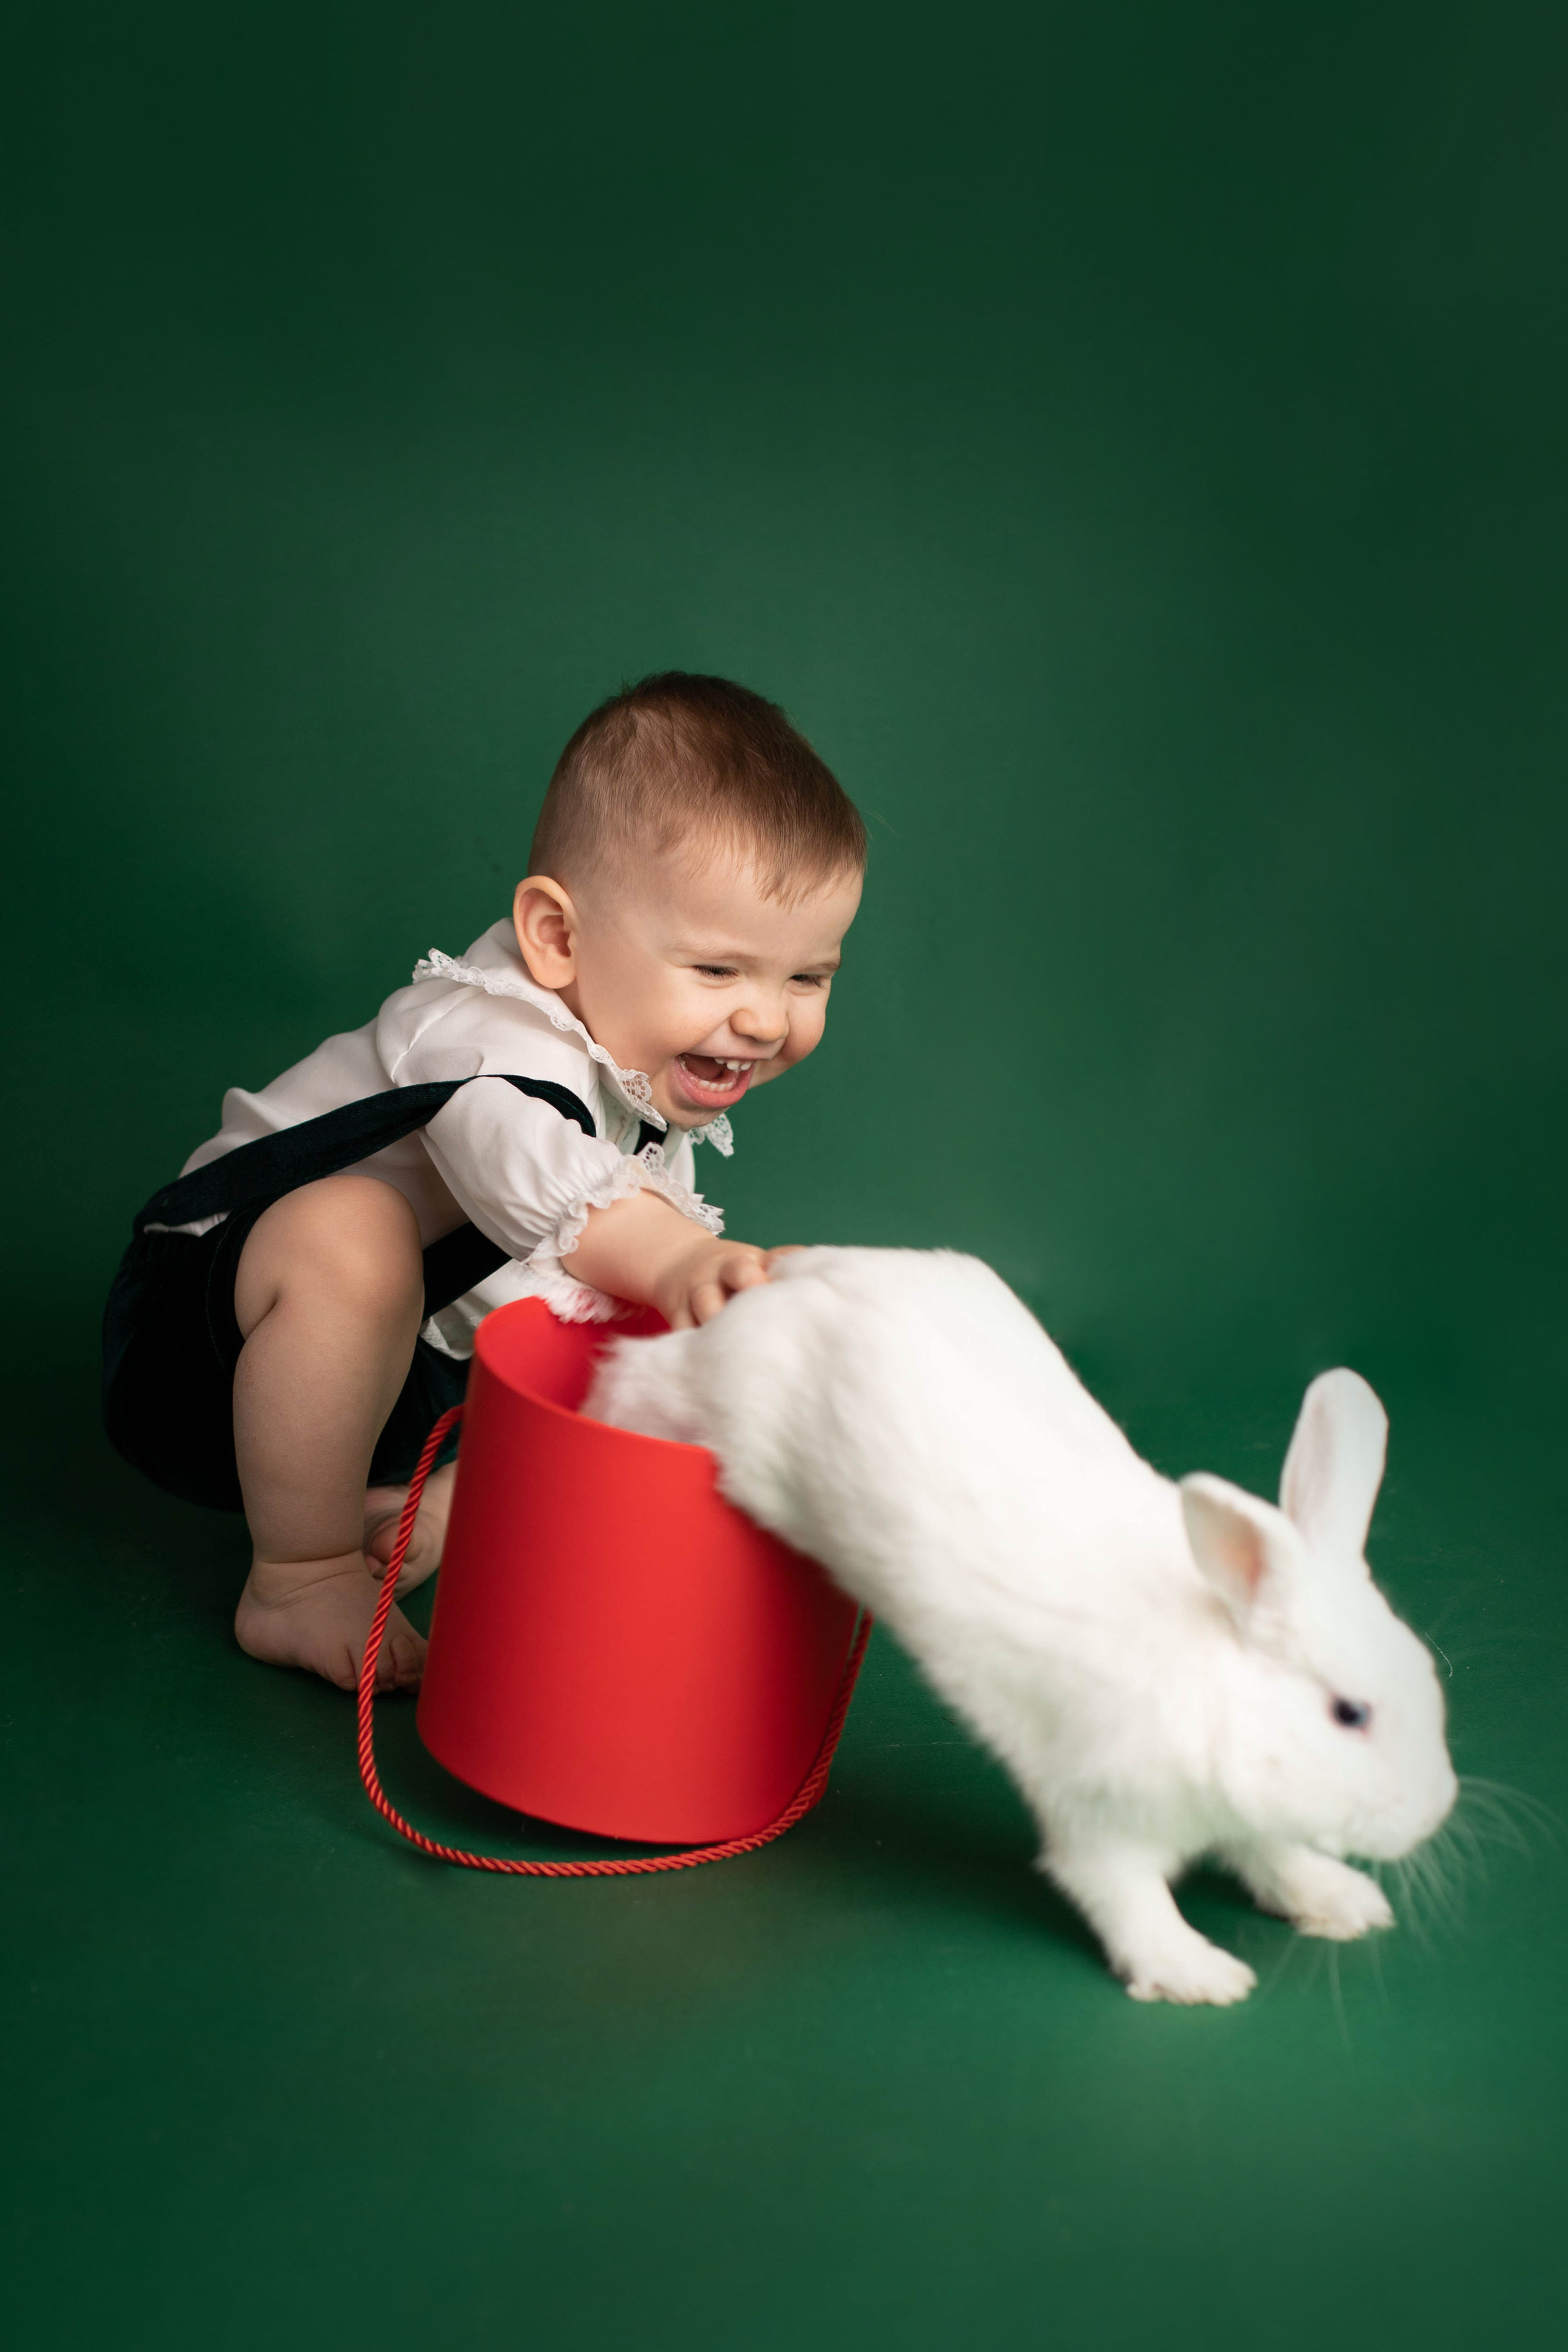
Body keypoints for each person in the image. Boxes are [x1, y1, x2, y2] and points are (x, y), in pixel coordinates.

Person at [102, 672, 865, 1693]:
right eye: (719, 972)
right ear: (557, 938)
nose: (769, 1020)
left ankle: (426, 1505)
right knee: (356, 1228)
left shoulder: (638, 1094)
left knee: (634, 1327)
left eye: (806, 978)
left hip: (398, 1366)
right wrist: (679, 1253)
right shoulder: (480, 1035)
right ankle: (299, 1573)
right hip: (203, 1331)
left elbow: (577, 1293)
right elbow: (529, 1171)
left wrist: (692, 1295)